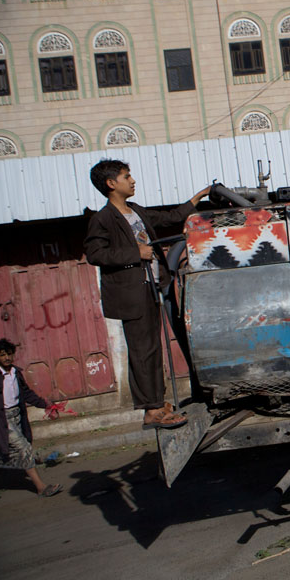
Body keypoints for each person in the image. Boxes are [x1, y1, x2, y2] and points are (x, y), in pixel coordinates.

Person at [84, 159, 210, 429]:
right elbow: (94, 254)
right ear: (110, 184)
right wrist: (135, 254)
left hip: (151, 287)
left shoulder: (136, 211)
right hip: (131, 293)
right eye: (126, 176)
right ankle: (150, 411)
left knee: (153, 349)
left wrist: (197, 199)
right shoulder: (103, 219)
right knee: (142, 351)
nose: (132, 180)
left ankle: (157, 403)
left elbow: (171, 218)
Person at [0, 338, 62, 497]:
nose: (7, 358)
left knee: (3, 452)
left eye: (9, 354)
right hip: (1, 419)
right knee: (24, 448)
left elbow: (26, 394)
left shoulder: (16, 373)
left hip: (17, 417)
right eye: (3, 355)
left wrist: (45, 404)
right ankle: (41, 487)